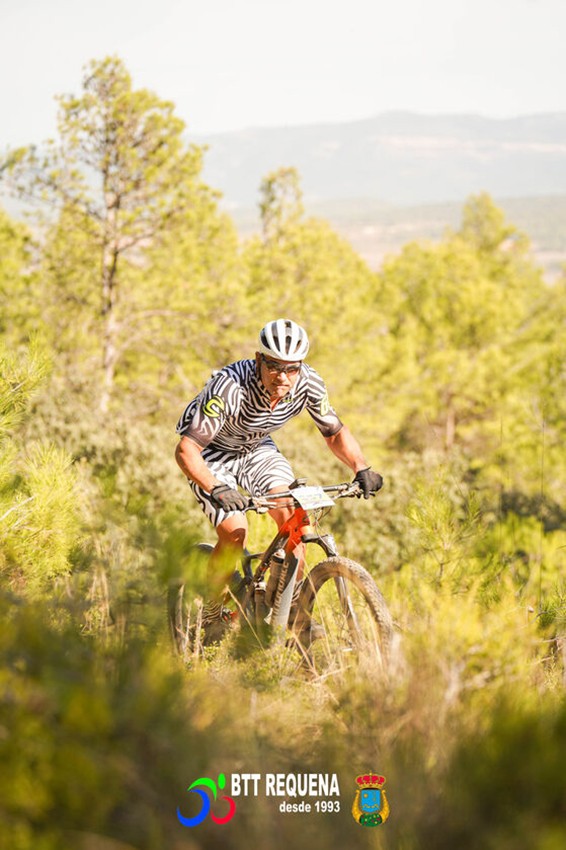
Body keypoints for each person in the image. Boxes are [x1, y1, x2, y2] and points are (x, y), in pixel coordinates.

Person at [174, 318, 383, 621]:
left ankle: (282, 615)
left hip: (256, 447)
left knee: (294, 518)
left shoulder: (309, 383)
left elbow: (335, 432)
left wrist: (360, 467)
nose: (282, 377)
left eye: (291, 368)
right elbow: (186, 450)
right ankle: (211, 612)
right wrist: (217, 487)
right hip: (211, 451)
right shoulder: (230, 385)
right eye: (273, 366)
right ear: (258, 359)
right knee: (235, 532)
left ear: (301, 366)